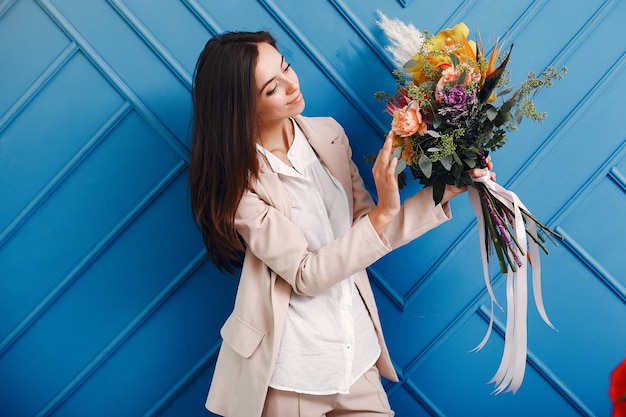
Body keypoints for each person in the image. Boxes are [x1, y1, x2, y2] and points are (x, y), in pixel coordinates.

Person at [188, 31, 493, 417]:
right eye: (271, 89)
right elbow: (305, 274)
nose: (291, 85)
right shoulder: (237, 184)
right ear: (241, 107)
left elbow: (367, 234)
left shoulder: (328, 134)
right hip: (292, 372)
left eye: (286, 67)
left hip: (355, 353)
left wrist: (446, 188)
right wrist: (382, 211)